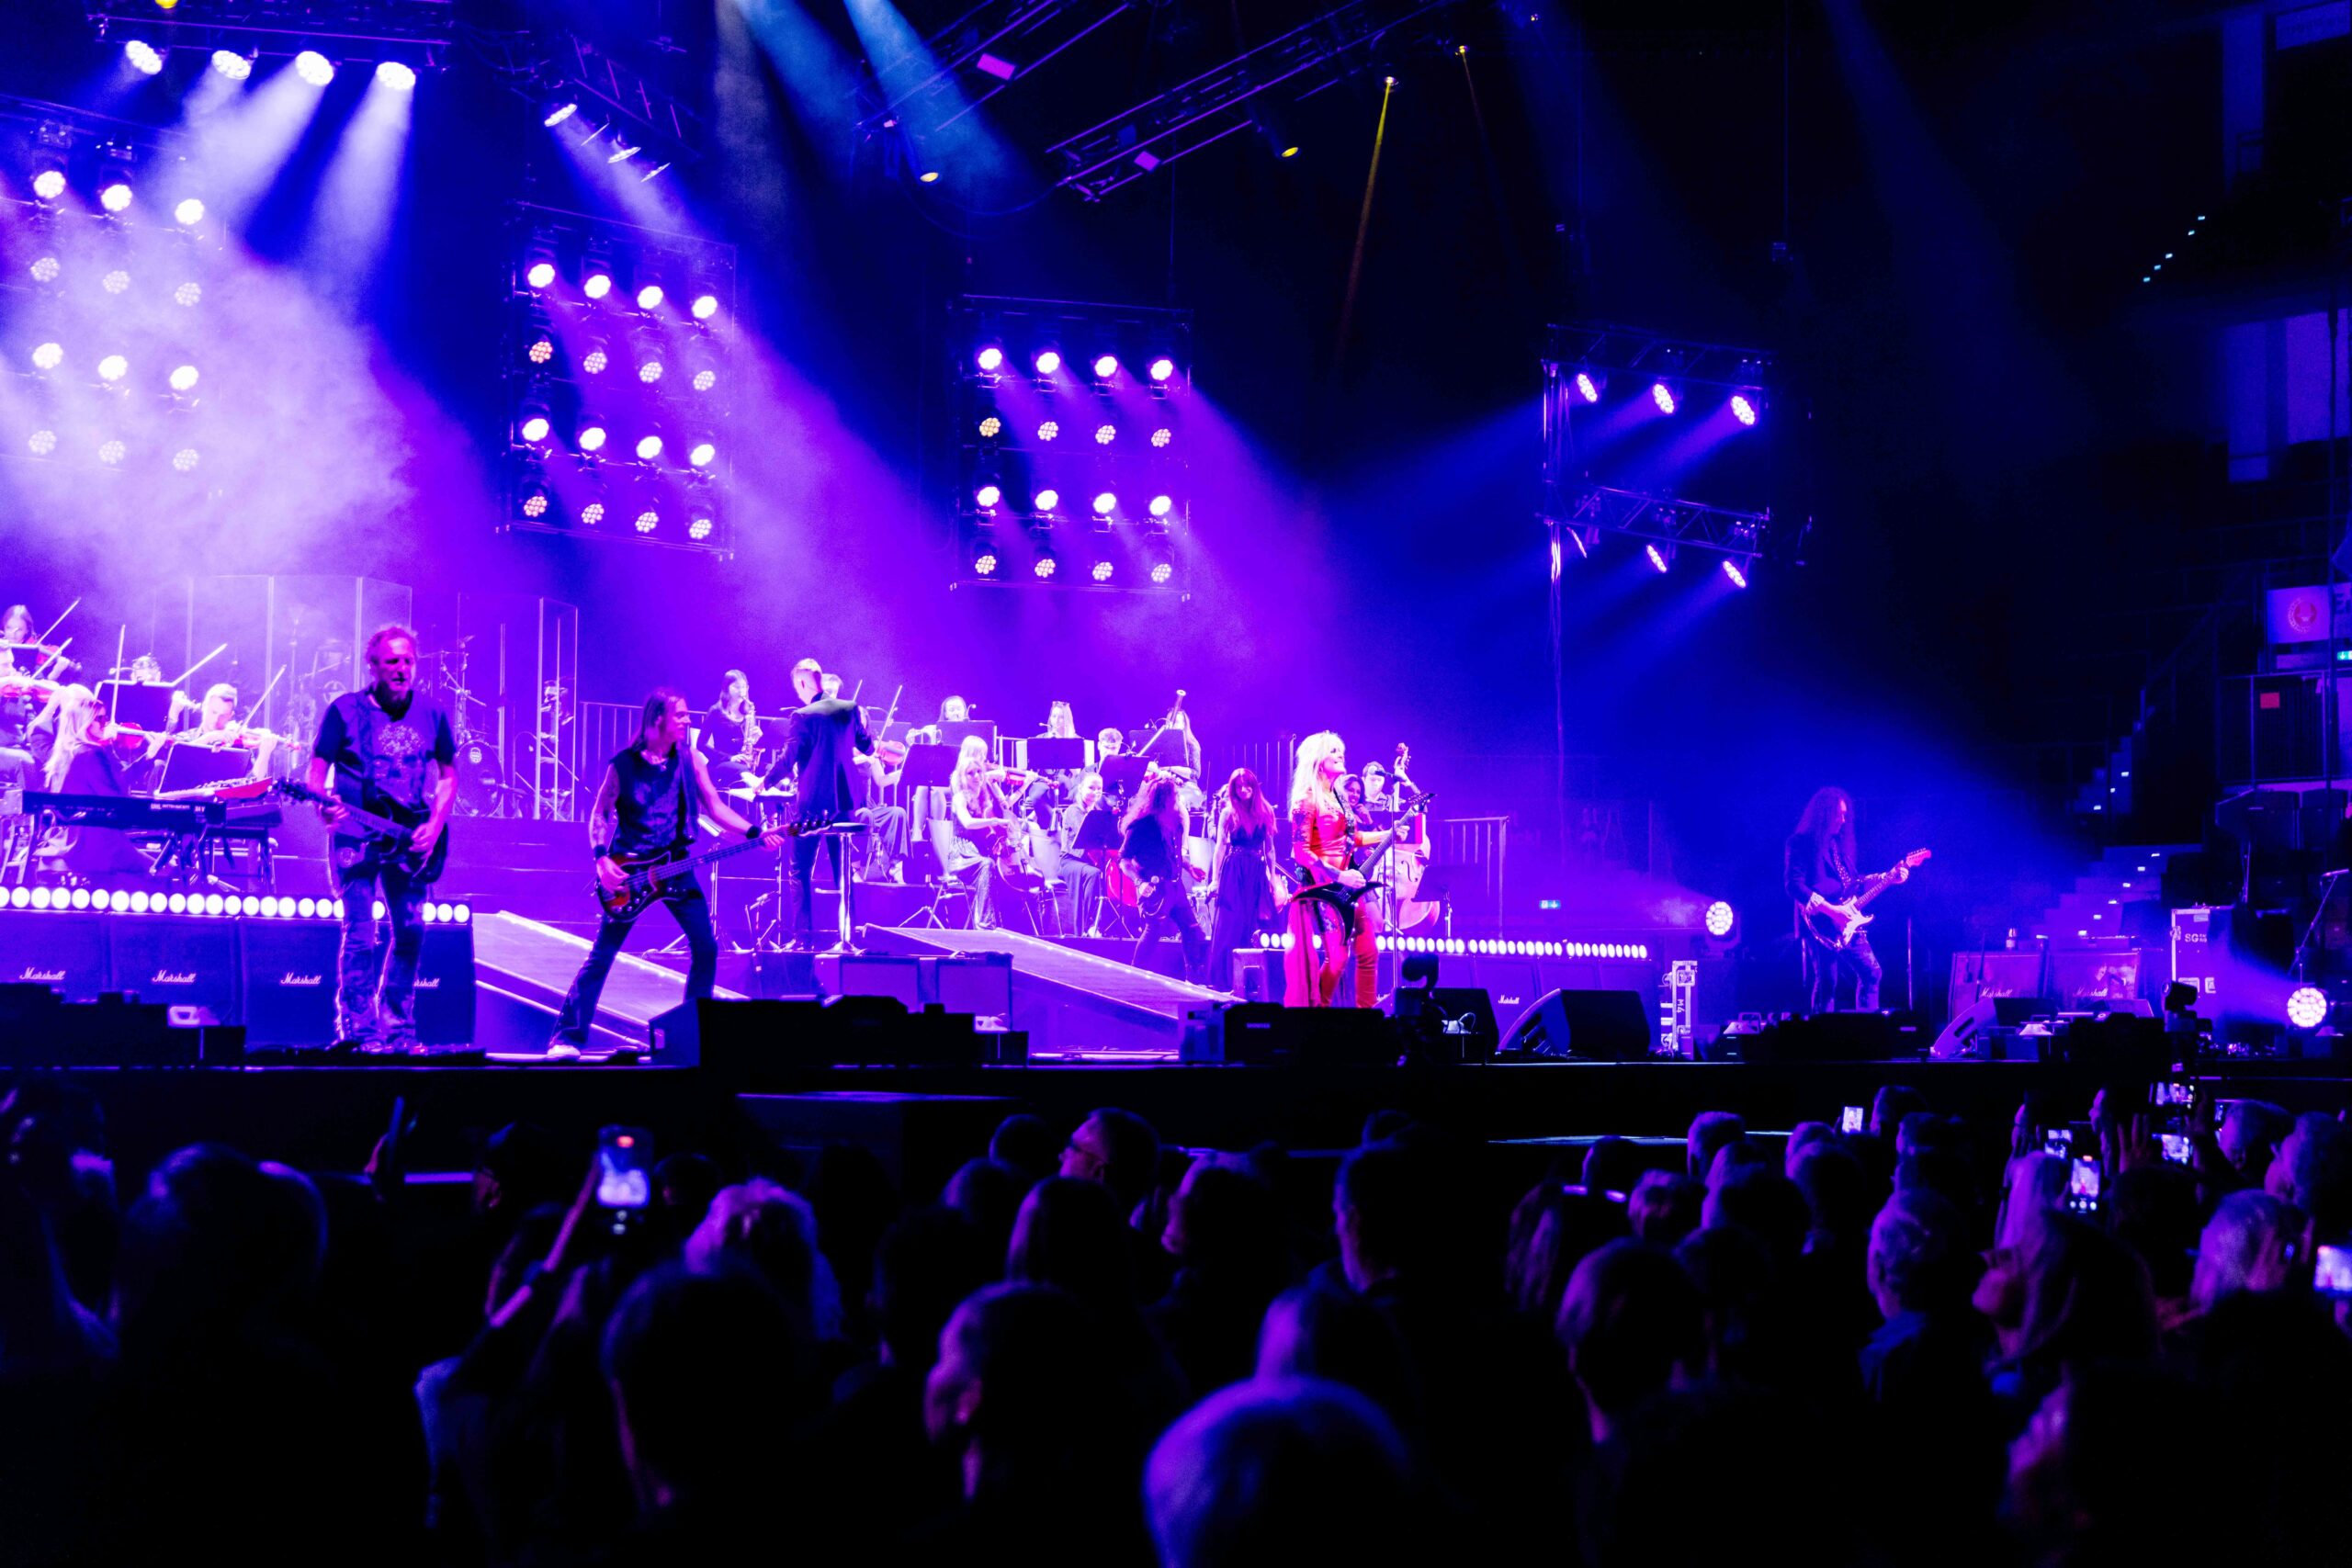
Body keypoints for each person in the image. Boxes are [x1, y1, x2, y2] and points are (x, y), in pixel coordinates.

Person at [548, 688, 785, 1057]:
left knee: (706, 947)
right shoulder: (624, 765)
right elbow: (600, 813)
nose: (688, 721)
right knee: (603, 954)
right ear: (658, 719)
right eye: (681, 715)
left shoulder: (691, 760)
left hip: (676, 868)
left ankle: (693, 1037)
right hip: (631, 873)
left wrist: (756, 832)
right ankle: (566, 1037)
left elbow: (716, 807)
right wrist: (601, 859)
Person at [304, 626, 457, 1051]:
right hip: (355, 836)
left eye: (408, 661)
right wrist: (322, 804)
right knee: (360, 932)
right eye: (392, 661)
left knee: (410, 930)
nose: (402, 669)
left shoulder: (432, 712)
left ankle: (398, 1031)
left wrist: (435, 824)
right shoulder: (345, 710)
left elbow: (448, 774)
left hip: (408, 839)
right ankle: (359, 1032)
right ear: (373, 666)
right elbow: (317, 768)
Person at [762, 657, 874, 948]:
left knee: (799, 870)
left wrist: (766, 781)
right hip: (844, 802)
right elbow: (868, 746)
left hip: (810, 805)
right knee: (842, 871)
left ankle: (803, 939)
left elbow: (789, 757)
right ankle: (847, 937)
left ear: (802, 682)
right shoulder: (849, 708)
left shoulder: (802, 715)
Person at [1283, 731, 1386, 1009]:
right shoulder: (1306, 799)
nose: (1340, 754)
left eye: (1341, 750)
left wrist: (1387, 834)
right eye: (1333, 751)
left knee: (1369, 951)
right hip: (1325, 887)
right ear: (1318, 759)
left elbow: (1353, 839)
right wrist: (1340, 876)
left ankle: (1367, 1016)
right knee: (1338, 958)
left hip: (1350, 885)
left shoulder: (1338, 798)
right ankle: (1317, 1013)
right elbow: (1301, 852)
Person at [1785, 786, 1901, 1012]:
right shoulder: (1800, 843)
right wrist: (1832, 910)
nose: (1843, 820)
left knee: (1872, 972)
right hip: (1820, 923)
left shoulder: (1836, 845)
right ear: (1824, 814)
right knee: (1828, 983)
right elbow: (1793, 884)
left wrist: (1888, 877)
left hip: (1846, 921)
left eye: (1845, 814)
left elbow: (1854, 882)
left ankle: (1867, 1026)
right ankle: (1822, 1032)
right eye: (1839, 814)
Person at [1120, 771, 1207, 982]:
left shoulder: (1175, 822)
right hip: (1156, 889)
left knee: (1193, 931)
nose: (1177, 799)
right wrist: (1140, 883)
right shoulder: (1141, 825)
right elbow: (1124, 861)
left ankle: (1193, 979)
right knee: (1153, 931)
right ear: (1163, 798)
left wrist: (1189, 867)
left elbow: (1172, 853)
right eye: (1174, 795)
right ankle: (1134, 977)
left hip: (1176, 887)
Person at [944, 733, 1032, 930]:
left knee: (1005, 871)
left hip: (984, 847)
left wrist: (1023, 785)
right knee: (987, 865)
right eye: (971, 773)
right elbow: (968, 823)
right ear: (963, 776)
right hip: (963, 852)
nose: (977, 776)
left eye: (979, 772)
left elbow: (1005, 808)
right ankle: (985, 923)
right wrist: (993, 820)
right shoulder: (960, 797)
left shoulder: (985, 795)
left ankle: (1012, 925)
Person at [1204, 768, 1282, 991]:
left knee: (1253, 922)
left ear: (1254, 786)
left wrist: (1272, 878)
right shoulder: (1228, 813)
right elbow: (1220, 847)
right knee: (1230, 922)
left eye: (1247, 785)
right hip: (1234, 870)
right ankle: (1223, 979)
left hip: (1256, 871)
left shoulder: (1265, 811)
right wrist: (1215, 880)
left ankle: (1249, 980)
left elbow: (1270, 850)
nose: (1244, 790)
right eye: (1239, 787)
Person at [700, 669, 760, 785]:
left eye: (744, 687)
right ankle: (758, 787)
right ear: (726, 688)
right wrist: (730, 758)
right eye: (737, 687)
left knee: (770, 768)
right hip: (721, 763)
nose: (741, 691)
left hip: (743, 762)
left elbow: (749, 744)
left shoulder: (748, 711)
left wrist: (755, 739)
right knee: (743, 771)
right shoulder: (715, 711)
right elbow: (701, 744)